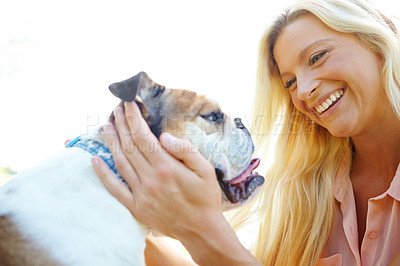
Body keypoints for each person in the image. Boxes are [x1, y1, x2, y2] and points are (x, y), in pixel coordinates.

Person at [91, 0, 400, 265]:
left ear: (378, 40)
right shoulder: (311, 195)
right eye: (290, 82)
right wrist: (134, 211)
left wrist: (200, 227)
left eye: (317, 57)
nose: (304, 91)